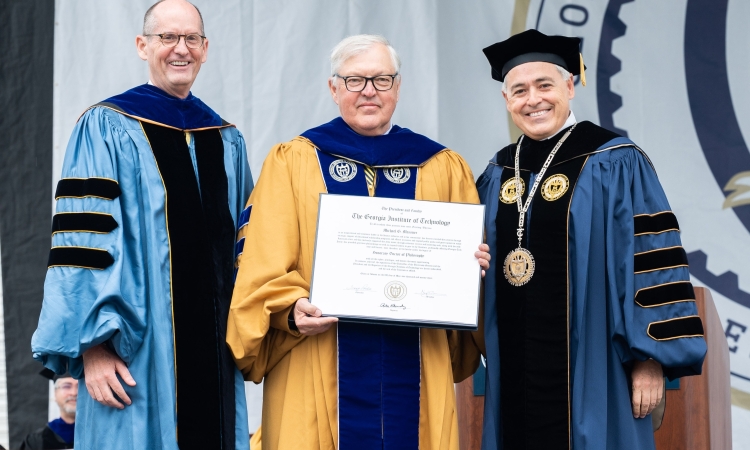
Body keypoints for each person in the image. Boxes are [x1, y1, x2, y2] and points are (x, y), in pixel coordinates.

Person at [227, 34, 489, 450]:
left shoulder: (443, 167)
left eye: (381, 80)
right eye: (354, 80)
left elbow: (468, 284)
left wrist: (469, 268)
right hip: (317, 356)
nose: (369, 91)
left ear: (398, 88)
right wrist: (290, 309)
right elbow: (261, 259)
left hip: (417, 359)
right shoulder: (293, 162)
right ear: (334, 89)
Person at [31, 1, 253, 449]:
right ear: (142, 45)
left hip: (213, 360)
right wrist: (90, 350)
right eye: (167, 37)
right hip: (134, 354)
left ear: (205, 49)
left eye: (191, 38)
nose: (180, 49)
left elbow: (249, 248)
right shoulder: (106, 127)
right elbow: (82, 243)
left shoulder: (225, 139)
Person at [475, 29, 708, 449]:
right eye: (519, 90)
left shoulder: (615, 160)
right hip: (513, 366)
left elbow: (651, 258)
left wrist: (651, 359)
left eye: (545, 85)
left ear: (570, 85)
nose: (533, 100)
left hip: (596, 363)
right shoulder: (498, 171)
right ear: (506, 100)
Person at [21, 371, 77, 449]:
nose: (74, 392)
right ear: (55, 393)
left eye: (80, 386)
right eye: (66, 386)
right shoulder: (36, 440)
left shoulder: (97, 435)